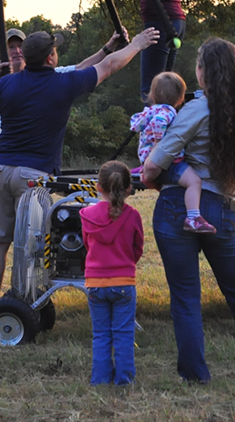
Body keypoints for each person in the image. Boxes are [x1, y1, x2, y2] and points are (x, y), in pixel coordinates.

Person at [0, 26, 159, 303]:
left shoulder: (6, 84)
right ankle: (27, 300)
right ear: (50, 58)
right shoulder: (63, 83)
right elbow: (108, 67)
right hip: (32, 176)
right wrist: (138, 45)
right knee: (32, 243)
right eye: (55, 50)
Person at [141, 38, 235, 383]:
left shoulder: (195, 109)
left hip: (181, 207)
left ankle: (195, 375)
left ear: (204, 72)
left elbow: (154, 164)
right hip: (225, 209)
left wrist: (151, 172)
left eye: (198, 66)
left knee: (186, 297)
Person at [79, 160, 143, 386]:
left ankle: (100, 379)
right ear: (128, 188)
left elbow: (88, 246)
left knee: (101, 334)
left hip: (95, 283)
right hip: (124, 282)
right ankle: (124, 380)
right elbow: (138, 249)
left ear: (98, 187)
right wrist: (125, 262)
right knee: (124, 334)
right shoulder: (133, 216)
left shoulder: (86, 214)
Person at [130, 71, 212, 233]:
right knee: (194, 182)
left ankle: (148, 177)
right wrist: (160, 143)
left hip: (146, 158)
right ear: (181, 98)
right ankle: (193, 217)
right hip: (168, 161)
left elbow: (135, 125)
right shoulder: (168, 112)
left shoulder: (149, 110)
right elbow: (159, 123)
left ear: (152, 95)